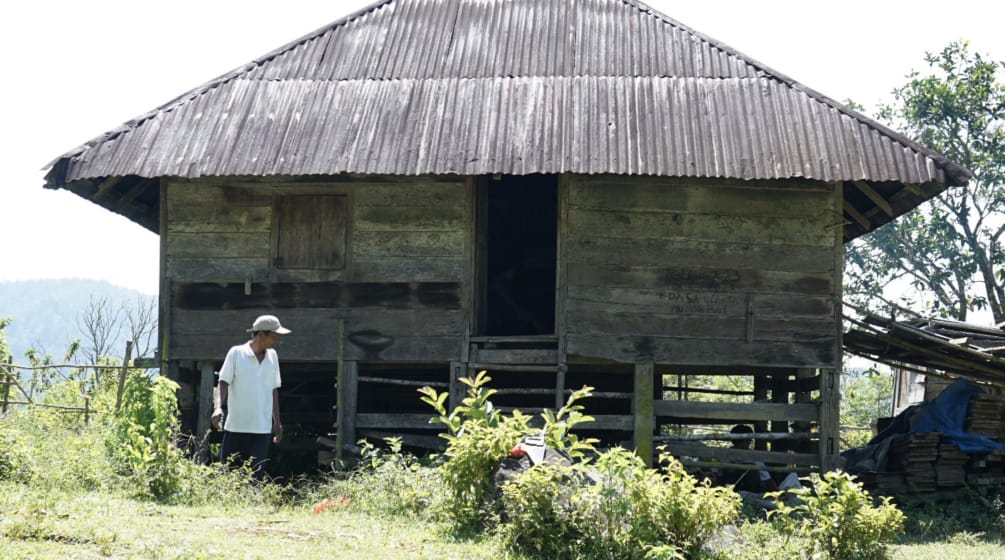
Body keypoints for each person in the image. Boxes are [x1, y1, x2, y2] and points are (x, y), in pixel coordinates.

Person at [210, 314, 289, 480]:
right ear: (261, 334)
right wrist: (218, 407)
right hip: (236, 427)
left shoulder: (273, 356)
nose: (277, 340)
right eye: (274, 336)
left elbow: (273, 390)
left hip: (262, 429)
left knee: (255, 478)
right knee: (229, 477)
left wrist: (278, 422)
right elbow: (223, 382)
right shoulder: (236, 353)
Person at [719, 424, 778, 493]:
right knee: (730, 469)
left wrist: (777, 492)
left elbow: (767, 478)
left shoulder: (754, 456)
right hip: (731, 489)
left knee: (751, 470)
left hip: (752, 490)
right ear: (734, 441)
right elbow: (720, 475)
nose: (745, 443)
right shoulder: (726, 455)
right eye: (742, 441)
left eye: (748, 441)